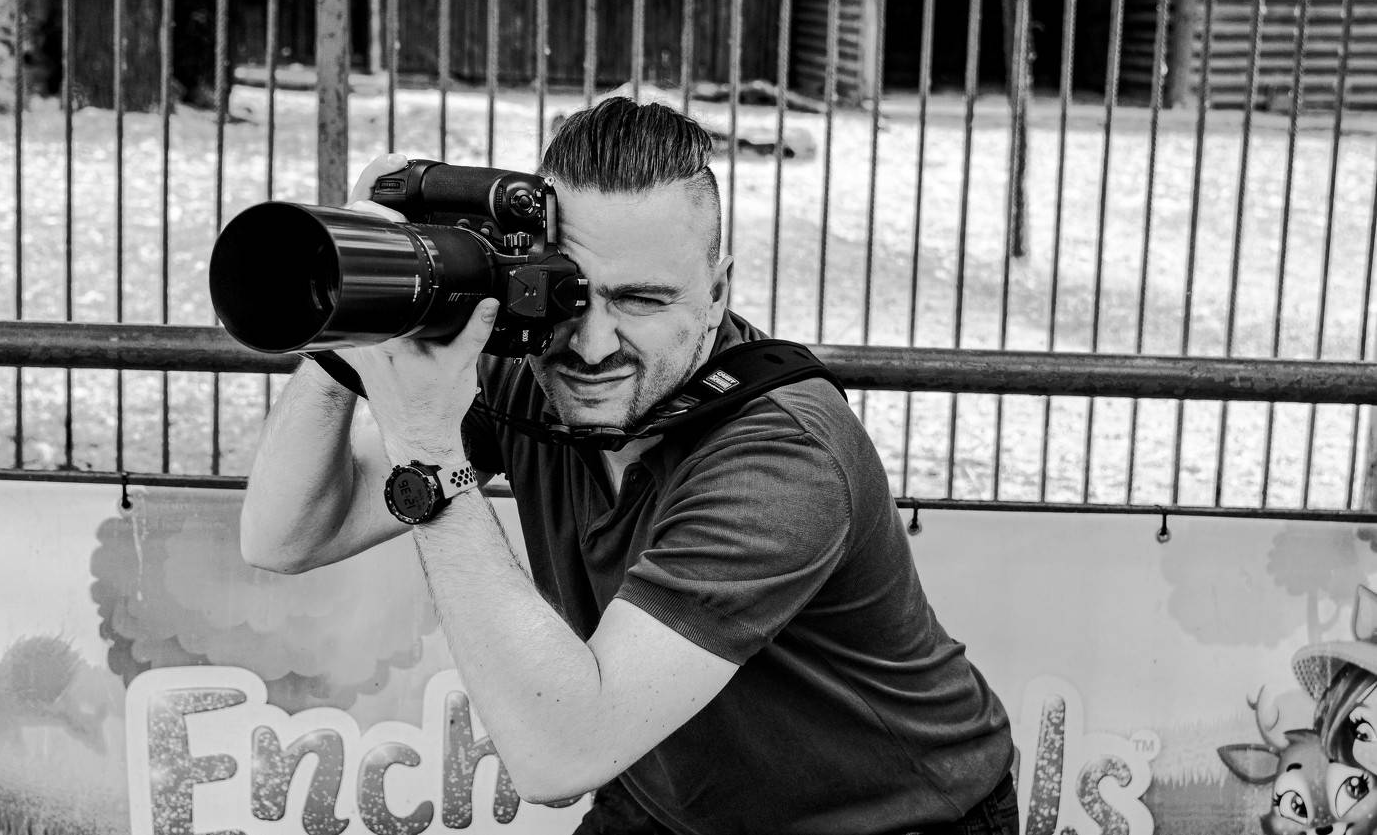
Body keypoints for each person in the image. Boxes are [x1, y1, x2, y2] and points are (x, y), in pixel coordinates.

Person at [240, 96, 1017, 835]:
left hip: (889, 816)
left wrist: (429, 449)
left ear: (716, 294)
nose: (592, 345)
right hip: (666, 794)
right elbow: (287, 534)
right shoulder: (531, 366)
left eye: (641, 300)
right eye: (569, 292)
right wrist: (351, 325)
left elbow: (558, 754)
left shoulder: (782, 454)